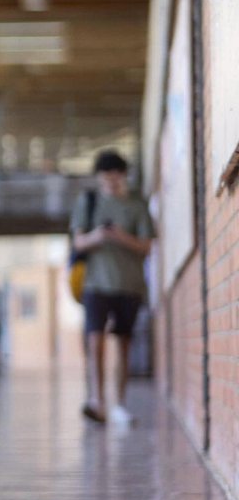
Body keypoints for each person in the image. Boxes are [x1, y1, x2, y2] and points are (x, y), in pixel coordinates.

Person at [71, 150, 155, 426]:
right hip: (95, 283)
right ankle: (97, 401)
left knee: (123, 343)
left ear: (124, 175)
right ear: (98, 177)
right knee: (95, 341)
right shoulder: (89, 201)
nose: (111, 180)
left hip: (129, 284)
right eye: (106, 175)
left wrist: (120, 236)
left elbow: (146, 246)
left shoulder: (137, 205)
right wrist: (98, 235)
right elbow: (78, 242)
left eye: (117, 174)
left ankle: (120, 403)